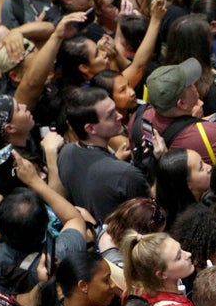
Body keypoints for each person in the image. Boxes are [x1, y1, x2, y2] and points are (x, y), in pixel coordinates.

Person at [57, 87, 152, 223]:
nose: (119, 116)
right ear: (90, 128)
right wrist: (159, 161)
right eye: (110, 115)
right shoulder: (125, 174)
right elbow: (151, 214)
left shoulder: (65, 153)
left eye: (115, 110)